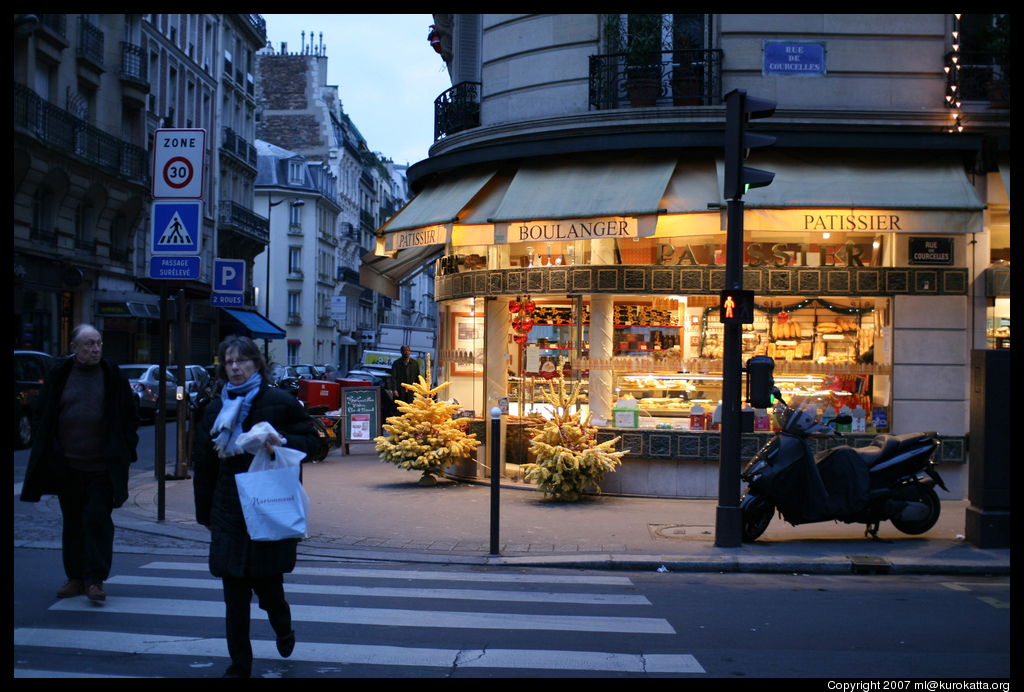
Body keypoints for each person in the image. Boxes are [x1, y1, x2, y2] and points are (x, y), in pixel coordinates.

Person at [191, 335, 318, 678]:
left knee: (269, 588)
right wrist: (205, 513)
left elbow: (315, 442)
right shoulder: (215, 408)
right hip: (229, 508)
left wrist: (283, 440)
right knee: (234, 595)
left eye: (242, 361)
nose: (235, 368)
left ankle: (282, 625)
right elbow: (203, 464)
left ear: (256, 364)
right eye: (229, 362)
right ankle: (240, 665)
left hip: (268, 505)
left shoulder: (278, 401)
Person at [20, 324, 139, 602]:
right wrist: (48, 446)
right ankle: (74, 577)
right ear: (74, 348)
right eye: (88, 344)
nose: (95, 349)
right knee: (73, 521)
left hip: (101, 466)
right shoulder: (60, 374)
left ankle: (95, 579)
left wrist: (126, 449)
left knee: (98, 520)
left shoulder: (112, 375)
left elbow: (129, 417)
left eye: (98, 343)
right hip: (67, 465)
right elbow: (43, 414)